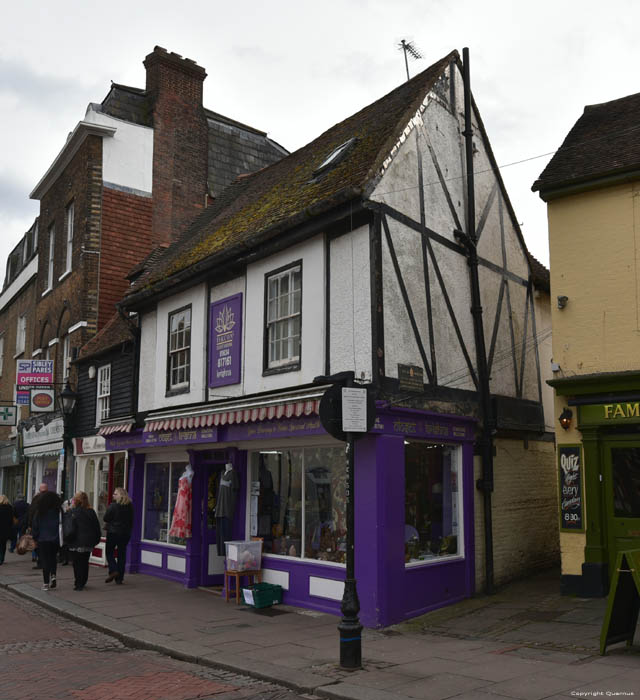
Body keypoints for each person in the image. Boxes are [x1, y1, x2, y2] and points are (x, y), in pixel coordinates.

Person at [67, 491, 101, 591]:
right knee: (84, 562)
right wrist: (96, 539)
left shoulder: (73, 512)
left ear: (76, 501)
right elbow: (96, 527)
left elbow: (69, 528)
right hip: (88, 541)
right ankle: (83, 581)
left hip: (76, 541)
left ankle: (78, 583)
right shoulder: (91, 511)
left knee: (77, 563)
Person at [31, 490, 61, 590]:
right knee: (53, 558)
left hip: (43, 539)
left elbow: (35, 526)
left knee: (45, 560)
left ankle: (45, 583)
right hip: (55, 538)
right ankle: (53, 575)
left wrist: (35, 538)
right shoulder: (58, 511)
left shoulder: (40, 512)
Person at [104, 487, 133, 585]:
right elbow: (131, 521)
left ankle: (113, 570)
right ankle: (119, 578)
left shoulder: (113, 506)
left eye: (115, 494)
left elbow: (105, 518)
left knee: (109, 552)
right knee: (122, 554)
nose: (113, 495)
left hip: (113, 532)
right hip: (125, 533)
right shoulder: (130, 506)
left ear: (121, 495)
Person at [28, 483, 49, 569]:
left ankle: (41, 562)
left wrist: (30, 524)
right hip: (48, 526)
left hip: (37, 525)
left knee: (37, 544)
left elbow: (31, 512)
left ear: (40, 490)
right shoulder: (51, 499)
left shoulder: (37, 498)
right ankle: (46, 562)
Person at [0, 495, 14, 565]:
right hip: (6, 529)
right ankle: (1, 559)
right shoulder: (10, 508)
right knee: (3, 544)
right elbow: (11, 520)